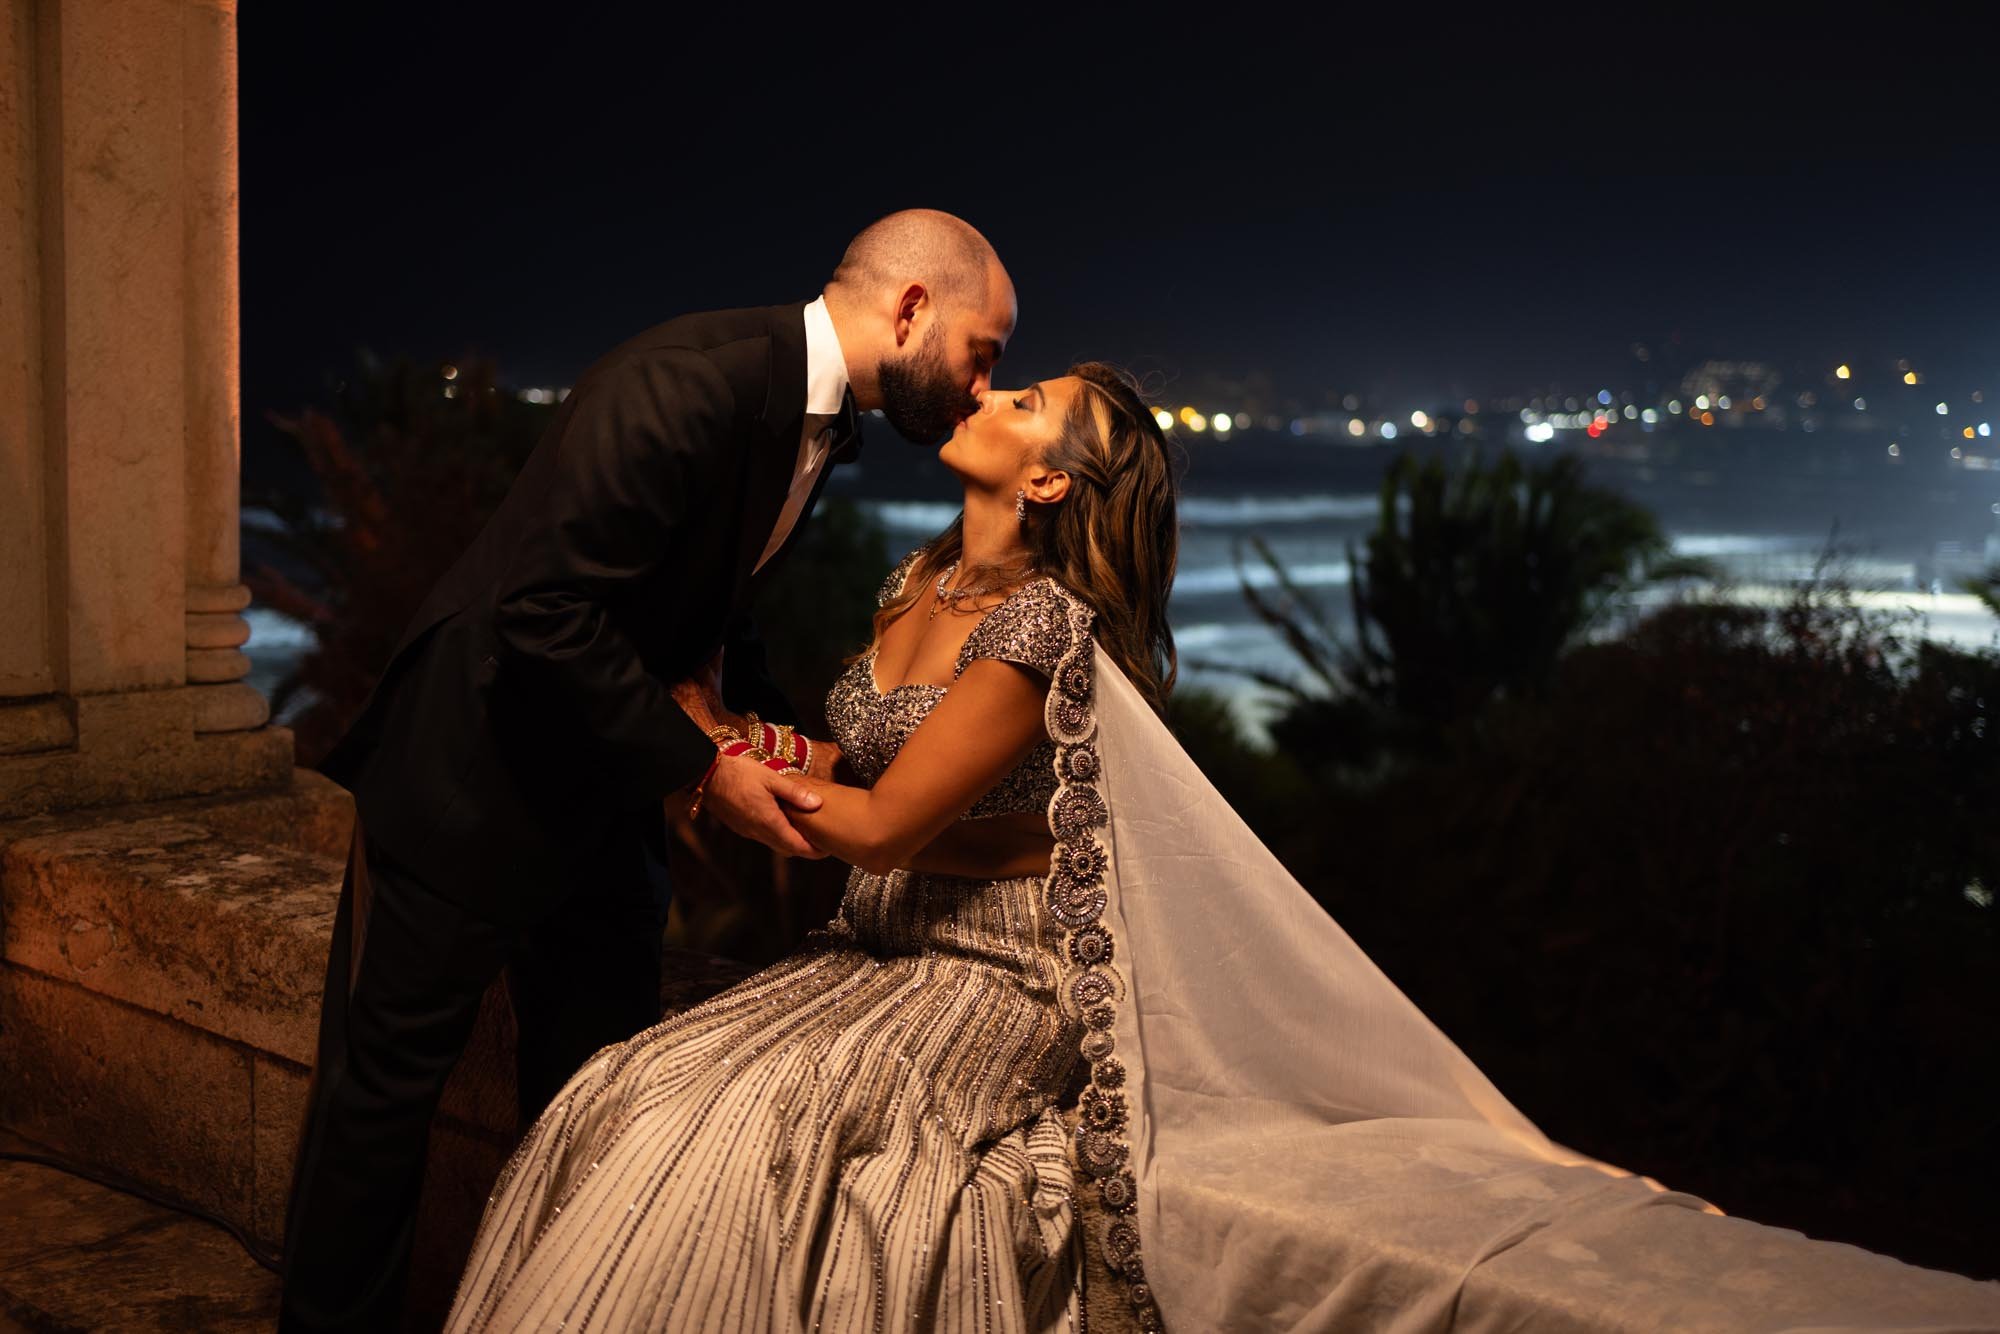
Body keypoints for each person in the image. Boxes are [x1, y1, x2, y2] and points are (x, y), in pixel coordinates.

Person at [443, 363, 2000, 1333]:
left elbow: (883, 822)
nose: (987, 390)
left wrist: (707, 764)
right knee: (636, 1084)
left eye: (1024, 401)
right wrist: (761, 738)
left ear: (1047, 480)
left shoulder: (1039, 628)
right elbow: (865, 773)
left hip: (987, 971)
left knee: (768, 1129)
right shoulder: (915, 583)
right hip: (876, 934)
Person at [279, 208, 1019, 1332]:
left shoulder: (812, 417)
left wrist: (782, 743)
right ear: (913, 308)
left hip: (603, 793)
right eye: (984, 351)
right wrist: (705, 773)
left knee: (594, 1094)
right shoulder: (685, 381)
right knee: (378, 1104)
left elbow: (709, 605)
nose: (981, 387)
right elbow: (540, 610)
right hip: (468, 776)